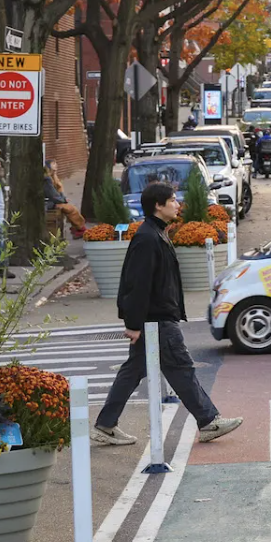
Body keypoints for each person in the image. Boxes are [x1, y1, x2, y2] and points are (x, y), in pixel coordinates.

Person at [91, 182, 242, 447]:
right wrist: (135, 324)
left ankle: (105, 425)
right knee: (181, 368)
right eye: (172, 200)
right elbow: (137, 284)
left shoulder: (156, 233)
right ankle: (208, 421)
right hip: (156, 320)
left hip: (154, 319)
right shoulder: (148, 238)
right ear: (158, 206)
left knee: (133, 371)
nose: (177, 204)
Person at [44, 159, 87, 231]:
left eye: (56, 163)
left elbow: (58, 192)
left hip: (54, 201)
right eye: (53, 163)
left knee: (70, 208)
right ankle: (80, 228)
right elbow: (53, 195)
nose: (56, 165)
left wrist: (63, 198)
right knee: (70, 209)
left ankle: (77, 227)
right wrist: (63, 200)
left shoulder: (53, 178)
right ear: (48, 166)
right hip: (48, 203)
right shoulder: (47, 179)